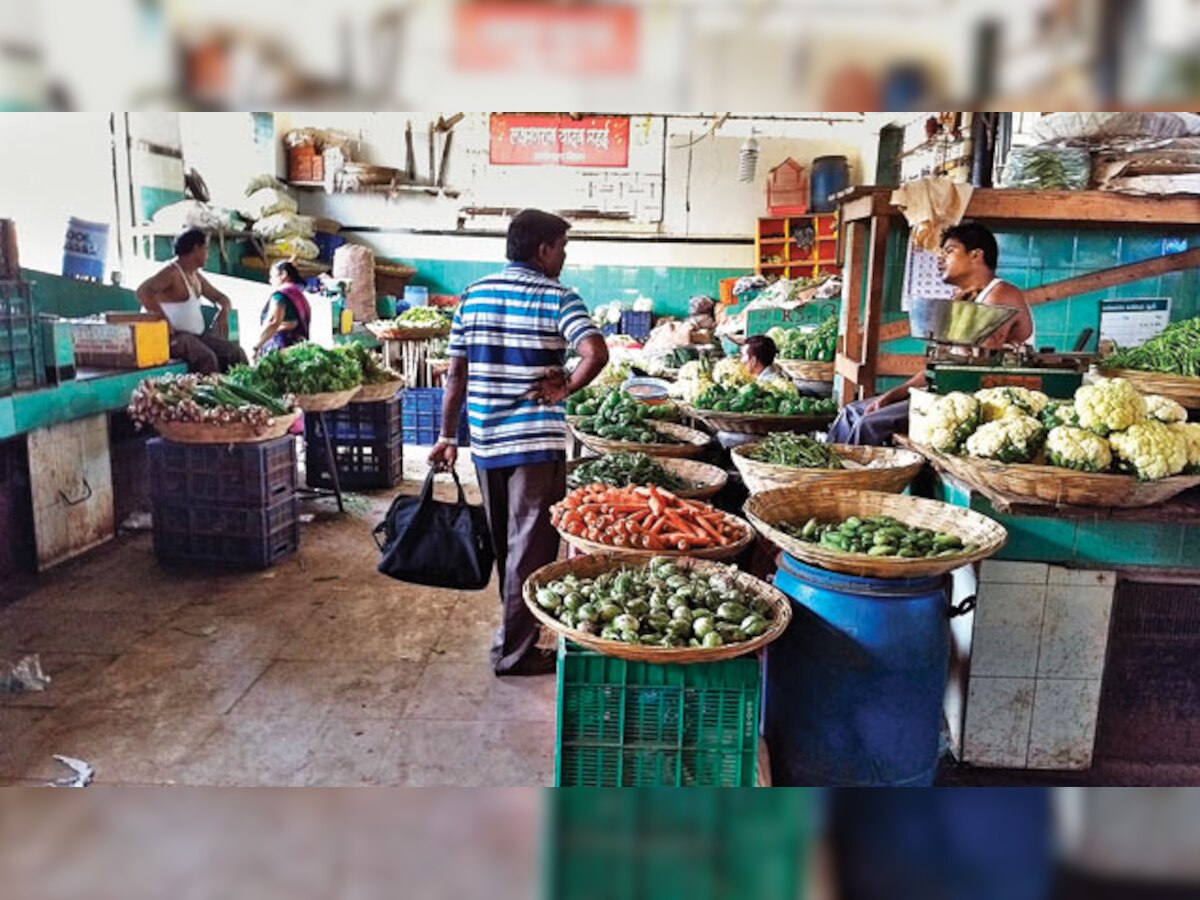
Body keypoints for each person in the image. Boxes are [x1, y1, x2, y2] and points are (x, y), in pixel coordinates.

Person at [428, 209, 609, 677]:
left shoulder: (473, 295)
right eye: (562, 248)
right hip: (535, 443)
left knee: (508, 545)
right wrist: (567, 385)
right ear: (543, 249)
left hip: (487, 442)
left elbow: (456, 376)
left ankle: (512, 634)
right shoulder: (558, 297)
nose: (564, 258)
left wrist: (449, 436)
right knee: (531, 545)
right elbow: (596, 352)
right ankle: (515, 652)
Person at [828, 222, 1033, 446]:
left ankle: (857, 479)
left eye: (949, 251)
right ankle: (827, 475)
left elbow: (976, 367)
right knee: (852, 412)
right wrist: (892, 395)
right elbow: (938, 369)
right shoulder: (967, 299)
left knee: (869, 423)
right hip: (948, 393)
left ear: (976, 255)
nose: (940, 259)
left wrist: (955, 315)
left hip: (980, 401)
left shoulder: (999, 293)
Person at [136, 228, 248, 374]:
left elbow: (221, 298)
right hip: (171, 338)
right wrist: (163, 320)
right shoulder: (172, 272)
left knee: (235, 353)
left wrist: (223, 312)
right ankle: (210, 395)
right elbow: (143, 292)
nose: (208, 255)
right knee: (207, 358)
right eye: (206, 249)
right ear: (196, 248)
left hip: (194, 336)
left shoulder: (195, 276)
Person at [252, 260, 311, 357]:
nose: (270, 281)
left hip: (281, 349)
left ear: (283, 274)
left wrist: (256, 347)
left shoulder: (280, 296)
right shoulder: (298, 295)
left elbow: (274, 322)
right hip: (298, 349)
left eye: (272, 276)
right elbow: (293, 323)